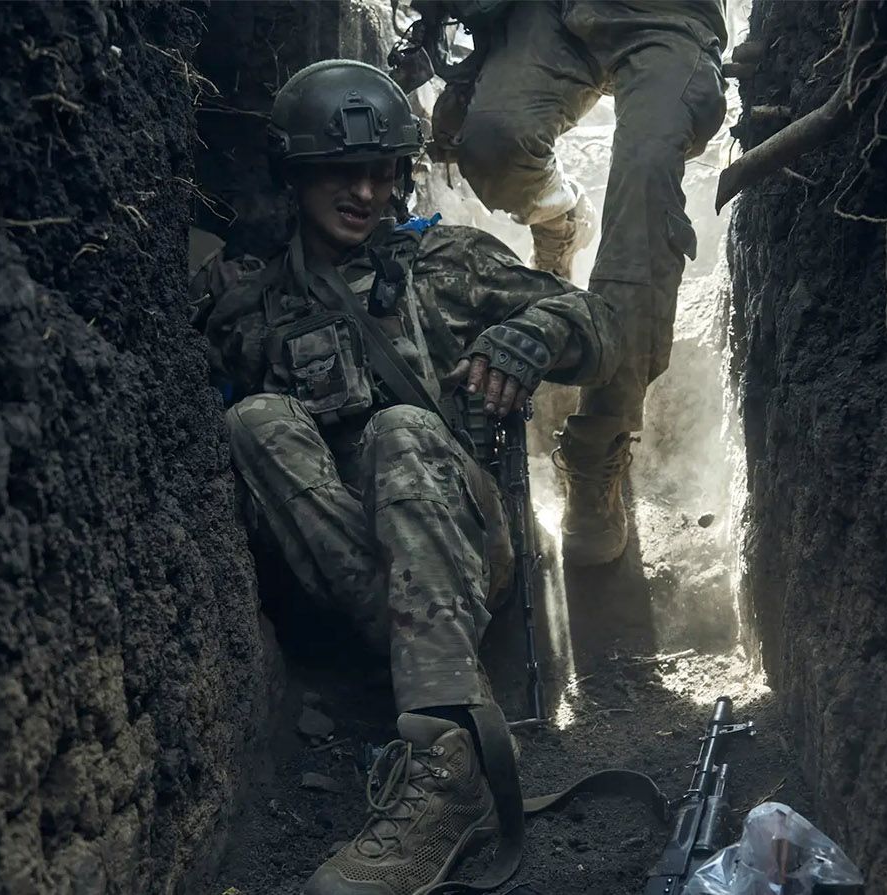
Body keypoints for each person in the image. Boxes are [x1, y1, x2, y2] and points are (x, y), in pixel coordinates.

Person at [190, 59, 619, 895]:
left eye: (381, 170)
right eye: (339, 172)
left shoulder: (444, 263)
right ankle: (443, 732)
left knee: (401, 428)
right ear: (296, 176)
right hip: (344, 573)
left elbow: (594, 323)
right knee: (255, 421)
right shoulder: (248, 296)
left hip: (465, 549)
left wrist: (532, 335)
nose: (364, 191)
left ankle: (447, 761)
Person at [435, 0, 728, 565]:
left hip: (666, 13)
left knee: (644, 194)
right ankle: (559, 220)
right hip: (552, 10)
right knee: (494, 142)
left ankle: (598, 445)